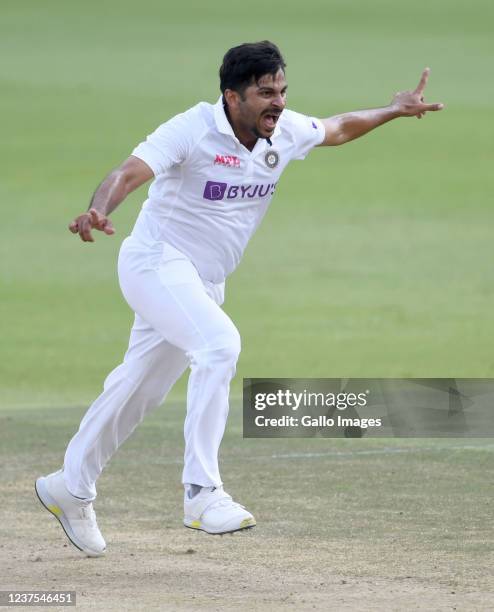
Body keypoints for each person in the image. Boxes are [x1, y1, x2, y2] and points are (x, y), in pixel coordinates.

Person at [35, 41, 444, 557]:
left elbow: (337, 129)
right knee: (219, 346)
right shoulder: (191, 129)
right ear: (231, 96)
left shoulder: (285, 130)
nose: (277, 102)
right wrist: (98, 208)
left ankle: (68, 487)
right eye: (264, 93)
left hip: (201, 282)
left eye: (282, 91)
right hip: (156, 263)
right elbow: (129, 172)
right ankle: (202, 494)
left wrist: (393, 110)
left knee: (139, 388)